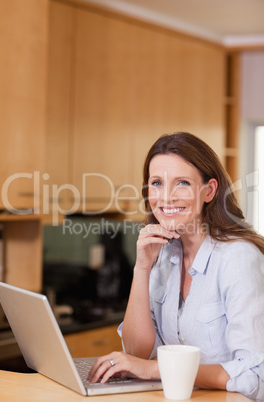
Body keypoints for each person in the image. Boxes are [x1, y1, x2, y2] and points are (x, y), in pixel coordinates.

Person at [88, 132, 264, 401]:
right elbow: (137, 354)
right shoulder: (165, 252)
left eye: (182, 182)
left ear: (209, 190)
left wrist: (154, 370)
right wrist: (142, 267)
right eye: (157, 183)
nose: (166, 197)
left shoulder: (238, 258)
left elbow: (255, 375)